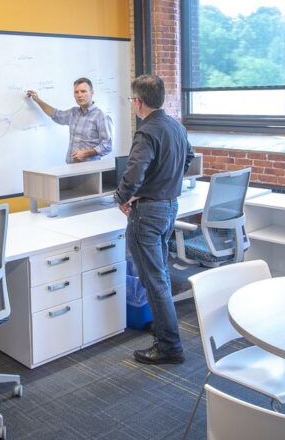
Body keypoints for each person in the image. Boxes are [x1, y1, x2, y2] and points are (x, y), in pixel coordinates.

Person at [114, 74, 194, 365]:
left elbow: (135, 171)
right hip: (169, 207)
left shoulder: (147, 132)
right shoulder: (176, 126)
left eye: (132, 99)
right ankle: (165, 333)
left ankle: (170, 346)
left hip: (147, 214)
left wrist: (122, 197)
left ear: (139, 102)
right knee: (159, 274)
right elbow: (189, 158)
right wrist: (167, 182)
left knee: (154, 280)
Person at [26, 77, 112, 163]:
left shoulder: (101, 117)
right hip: (71, 168)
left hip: (90, 170)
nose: (79, 95)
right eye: (76, 92)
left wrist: (86, 153)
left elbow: (107, 146)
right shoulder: (73, 113)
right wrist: (37, 100)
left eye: (83, 91)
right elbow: (55, 114)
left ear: (92, 93)